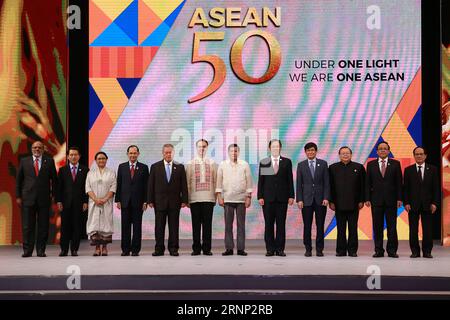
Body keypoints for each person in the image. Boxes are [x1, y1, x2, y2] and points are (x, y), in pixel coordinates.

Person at [16, 141, 57, 257]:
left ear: (43, 149)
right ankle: (27, 251)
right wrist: (18, 196)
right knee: (27, 226)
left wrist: (54, 195)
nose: (37, 149)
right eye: (35, 147)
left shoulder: (49, 161)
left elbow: (54, 180)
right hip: (27, 198)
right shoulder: (24, 161)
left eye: (39, 147)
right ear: (31, 149)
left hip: (44, 199)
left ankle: (41, 250)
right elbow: (19, 181)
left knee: (43, 226)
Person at [148, 144, 188, 256]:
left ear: (173, 153)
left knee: (174, 227)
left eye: (170, 152)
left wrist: (184, 200)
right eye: (166, 152)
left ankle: (173, 248)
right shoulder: (155, 167)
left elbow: (183, 185)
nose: (168, 154)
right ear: (163, 153)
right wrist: (150, 199)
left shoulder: (179, 167)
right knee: (159, 227)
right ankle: (159, 249)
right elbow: (151, 185)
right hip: (159, 202)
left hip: (175, 202)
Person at [365, 141, 402, 258]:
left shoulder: (396, 164)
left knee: (392, 227)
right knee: (377, 227)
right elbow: (367, 183)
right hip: (376, 201)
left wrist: (399, 198)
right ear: (377, 151)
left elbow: (399, 183)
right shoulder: (371, 165)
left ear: (389, 151)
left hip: (391, 201)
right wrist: (367, 198)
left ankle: (392, 251)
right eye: (380, 148)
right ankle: (378, 250)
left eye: (385, 148)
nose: (382, 150)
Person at [258, 139, 295, 257]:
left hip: (282, 199)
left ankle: (280, 249)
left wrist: (291, 196)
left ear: (280, 148)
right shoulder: (265, 162)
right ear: (269, 148)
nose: (275, 148)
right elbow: (261, 181)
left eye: (277, 146)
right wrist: (260, 196)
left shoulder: (287, 162)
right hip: (268, 199)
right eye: (273, 146)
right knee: (268, 225)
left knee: (280, 224)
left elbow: (290, 180)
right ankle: (270, 249)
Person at [329, 146, 366, 257]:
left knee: (353, 228)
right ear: (339, 155)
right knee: (340, 229)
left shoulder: (359, 167)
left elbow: (363, 186)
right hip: (338, 204)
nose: (345, 155)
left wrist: (361, 200)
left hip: (354, 204)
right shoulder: (332, 168)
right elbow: (330, 186)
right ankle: (340, 250)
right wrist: (331, 201)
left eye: (347, 153)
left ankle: (352, 250)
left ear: (351, 154)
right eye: (343, 153)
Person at [216, 144, 252, 256]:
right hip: (227, 198)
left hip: (241, 199)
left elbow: (249, 181)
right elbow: (219, 181)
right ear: (228, 152)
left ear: (238, 152)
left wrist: (248, 197)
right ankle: (229, 248)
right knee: (228, 225)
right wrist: (219, 196)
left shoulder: (244, 164)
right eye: (232, 151)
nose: (234, 153)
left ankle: (241, 249)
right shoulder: (222, 165)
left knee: (241, 225)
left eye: (236, 151)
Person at [403, 147, 440, 258]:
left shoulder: (433, 169)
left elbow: (436, 188)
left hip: (428, 204)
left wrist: (435, 203)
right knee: (413, 230)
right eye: (416, 154)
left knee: (428, 230)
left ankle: (427, 251)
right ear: (414, 156)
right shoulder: (408, 170)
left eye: (421, 154)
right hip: (412, 205)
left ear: (425, 156)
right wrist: (406, 203)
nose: (419, 156)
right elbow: (406, 189)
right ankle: (415, 251)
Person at [296, 142, 330, 257]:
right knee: (307, 225)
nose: (310, 152)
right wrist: (299, 199)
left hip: (321, 200)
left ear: (316, 151)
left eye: (312, 150)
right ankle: (308, 249)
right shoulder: (301, 165)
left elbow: (327, 183)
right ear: (305, 152)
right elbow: (299, 184)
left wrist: (326, 197)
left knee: (320, 225)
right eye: (308, 150)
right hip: (306, 200)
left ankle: (319, 249)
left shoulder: (323, 164)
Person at [115, 145, 149, 256]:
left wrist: (145, 201)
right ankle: (125, 249)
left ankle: (135, 250)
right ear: (127, 154)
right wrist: (118, 200)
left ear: (138, 154)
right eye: (130, 153)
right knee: (125, 227)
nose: (132, 155)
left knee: (137, 227)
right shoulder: (122, 167)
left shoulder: (144, 167)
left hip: (138, 203)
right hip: (125, 202)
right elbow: (119, 184)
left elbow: (146, 186)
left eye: (135, 153)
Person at [186, 139, 217, 256]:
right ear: (196, 148)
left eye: (204, 146)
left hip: (208, 198)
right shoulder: (190, 163)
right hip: (194, 199)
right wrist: (188, 199)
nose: (202, 148)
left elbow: (215, 181)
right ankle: (196, 249)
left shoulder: (213, 163)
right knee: (195, 225)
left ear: (207, 148)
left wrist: (214, 197)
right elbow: (188, 182)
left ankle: (207, 248)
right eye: (199, 146)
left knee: (207, 225)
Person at [56, 147, 89, 257]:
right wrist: (59, 201)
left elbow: (87, 188)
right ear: (68, 156)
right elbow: (58, 188)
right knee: (65, 227)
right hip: (65, 203)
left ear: (79, 156)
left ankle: (74, 249)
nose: (73, 157)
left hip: (79, 203)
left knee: (77, 227)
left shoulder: (85, 170)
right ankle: (64, 249)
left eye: (75, 155)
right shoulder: (62, 170)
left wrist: (85, 201)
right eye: (71, 155)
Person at [85, 151, 116, 256]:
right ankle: (97, 248)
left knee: (106, 224)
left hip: (106, 203)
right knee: (95, 225)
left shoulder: (111, 172)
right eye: (99, 159)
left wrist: (105, 199)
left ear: (106, 160)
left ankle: (105, 248)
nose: (101, 160)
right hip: (94, 203)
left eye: (103, 158)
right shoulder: (90, 173)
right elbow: (88, 188)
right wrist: (95, 199)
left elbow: (113, 187)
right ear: (96, 160)